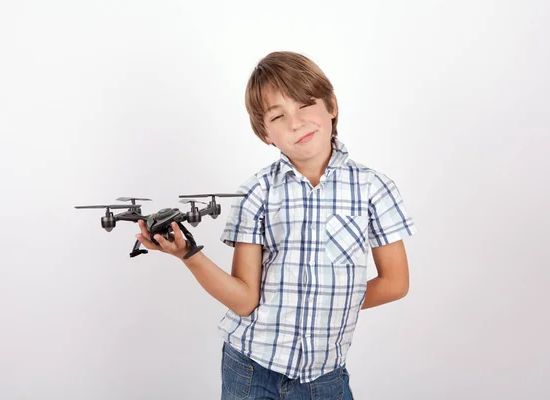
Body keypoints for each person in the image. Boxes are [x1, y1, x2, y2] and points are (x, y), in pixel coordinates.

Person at [136, 51, 417, 399]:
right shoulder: (256, 192)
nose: (296, 123)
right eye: (279, 116)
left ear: (332, 106)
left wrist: (324, 302)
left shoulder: (374, 188)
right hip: (250, 369)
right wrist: (189, 254)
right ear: (265, 134)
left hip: (325, 376)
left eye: (305, 105)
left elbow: (395, 283)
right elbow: (244, 300)